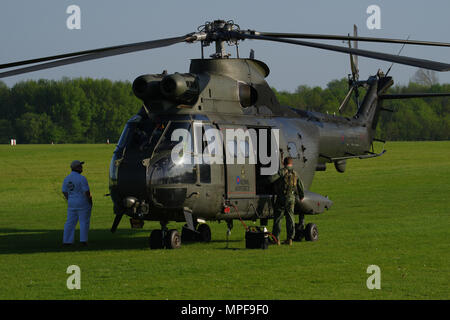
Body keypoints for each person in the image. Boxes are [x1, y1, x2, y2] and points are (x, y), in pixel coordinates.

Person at [270, 157, 304, 246]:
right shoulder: (295, 173)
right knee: (290, 218)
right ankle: (290, 239)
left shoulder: (282, 172)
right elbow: (300, 186)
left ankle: (276, 239)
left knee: (278, 218)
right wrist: (301, 196)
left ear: (284, 163)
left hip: (281, 197)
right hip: (291, 198)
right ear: (291, 163)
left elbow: (271, 179)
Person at [62, 160, 93, 246]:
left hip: (71, 202)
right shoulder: (82, 178)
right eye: (80, 166)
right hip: (82, 201)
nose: (81, 168)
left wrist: (69, 199)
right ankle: (83, 240)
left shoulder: (66, 178)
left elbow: (64, 191)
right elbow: (87, 192)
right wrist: (90, 201)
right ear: (76, 168)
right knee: (84, 221)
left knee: (70, 222)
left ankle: (67, 241)